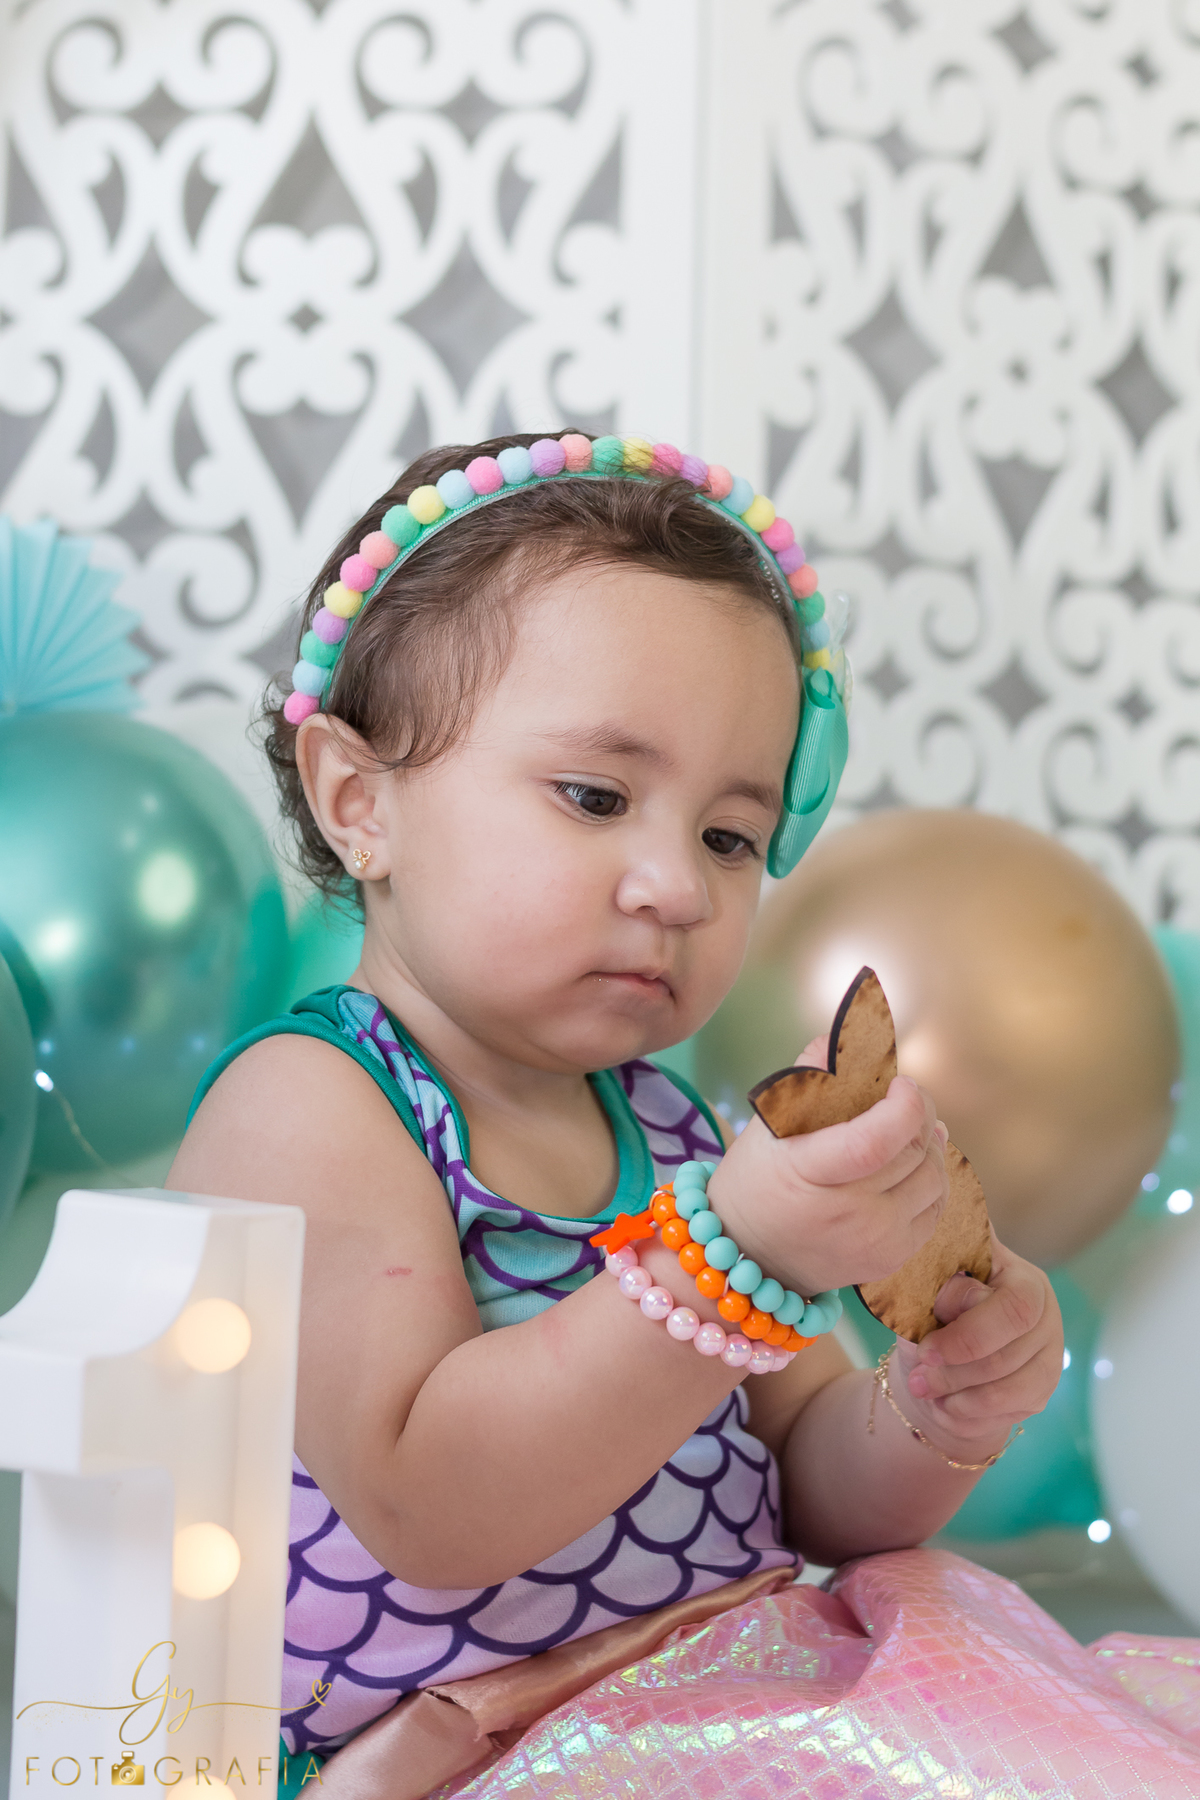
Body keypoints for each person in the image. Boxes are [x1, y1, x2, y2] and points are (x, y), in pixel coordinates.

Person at [169, 431, 1071, 1799]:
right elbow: (437, 1506)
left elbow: (813, 1494)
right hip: (478, 1745)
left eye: (728, 834)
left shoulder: (669, 1124)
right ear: (360, 803)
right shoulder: (314, 1106)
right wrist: (727, 1256)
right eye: (595, 797)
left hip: (723, 1694)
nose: (678, 887)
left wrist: (938, 1411)